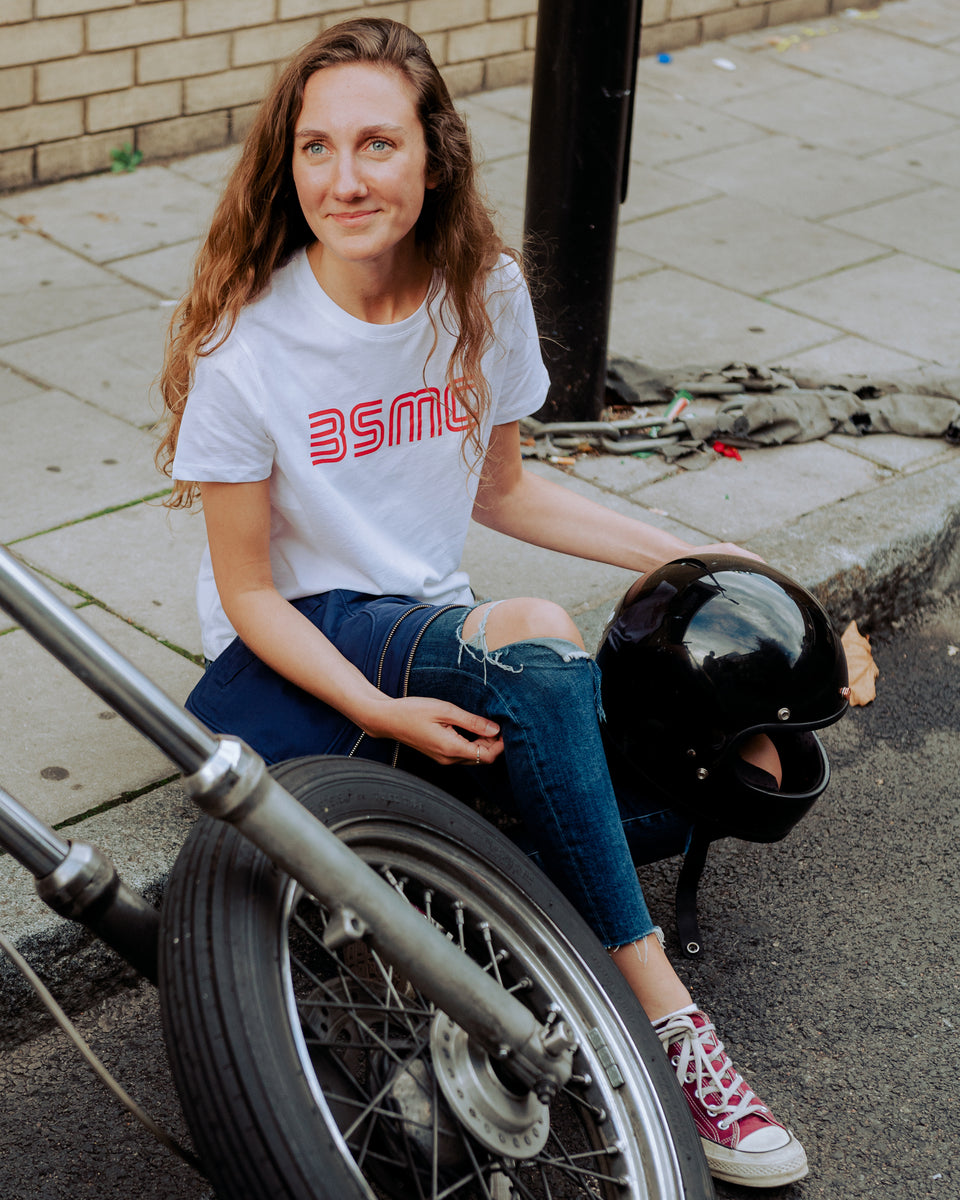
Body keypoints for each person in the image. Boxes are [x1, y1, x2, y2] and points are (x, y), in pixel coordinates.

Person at [157, 17, 808, 1188]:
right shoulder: (246, 347)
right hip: (311, 654)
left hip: (432, 635)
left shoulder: (482, 291)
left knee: (726, 778)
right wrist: (381, 708)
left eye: (375, 145)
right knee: (536, 635)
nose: (344, 180)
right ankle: (664, 1018)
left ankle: (499, 893)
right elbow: (250, 594)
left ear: (434, 155)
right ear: (286, 162)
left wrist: (688, 548)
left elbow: (503, 489)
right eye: (315, 149)